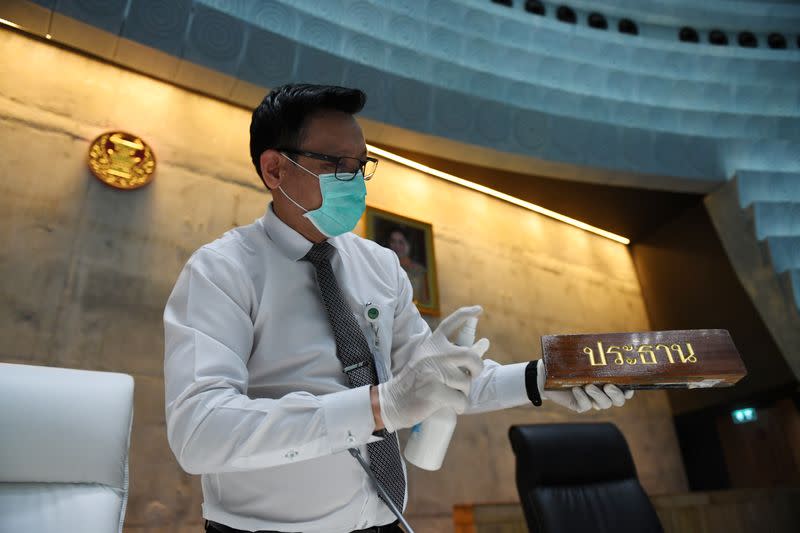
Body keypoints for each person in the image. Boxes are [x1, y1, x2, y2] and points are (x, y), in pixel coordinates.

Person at [163, 84, 634, 533]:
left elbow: (430, 384)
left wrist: (544, 378)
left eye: (361, 165)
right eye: (336, 163)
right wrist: (380, 405)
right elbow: (200, 433)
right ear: (275, 170)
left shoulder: (380, 265)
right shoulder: (221, 270)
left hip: (383, 521)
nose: (355, 180)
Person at [386, 228, 429, 304]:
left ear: (408, 245)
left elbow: (425, 300)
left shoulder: (419, 270)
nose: (397, 246)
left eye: (401, 242)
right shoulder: (386, 268)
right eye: (393, 241)